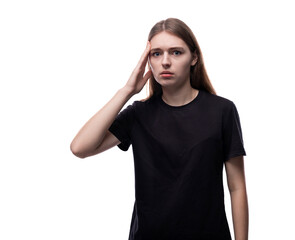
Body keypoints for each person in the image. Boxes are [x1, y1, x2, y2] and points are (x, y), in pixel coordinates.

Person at [70, 18, 248, 240]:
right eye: (156, 53)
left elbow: (237, 187)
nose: (165, 61)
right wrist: (126, 91)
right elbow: (80, 148)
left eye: (176, 52)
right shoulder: (138, 113)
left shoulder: (222, 110)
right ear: (148, 60)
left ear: (193, 58)